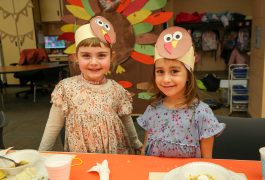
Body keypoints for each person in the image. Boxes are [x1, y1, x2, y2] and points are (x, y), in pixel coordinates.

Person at [39, 16, 142, 154]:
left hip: (115, 154)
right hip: (81, 156)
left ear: (111, 57)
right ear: (76, 58)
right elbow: (53, 126)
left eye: (101, 55)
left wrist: (136, 143)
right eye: (86, 56)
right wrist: (42, 153)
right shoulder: (66, 89)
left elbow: (126, 120)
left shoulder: (117, 90)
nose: (94, 62)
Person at [137, 26, 225, 158]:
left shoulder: (202, 113)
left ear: (188, 75)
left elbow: (207, 161)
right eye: (160, 71)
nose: (166, 79)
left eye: (174, 71)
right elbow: (146, 150)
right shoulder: (152, 109)